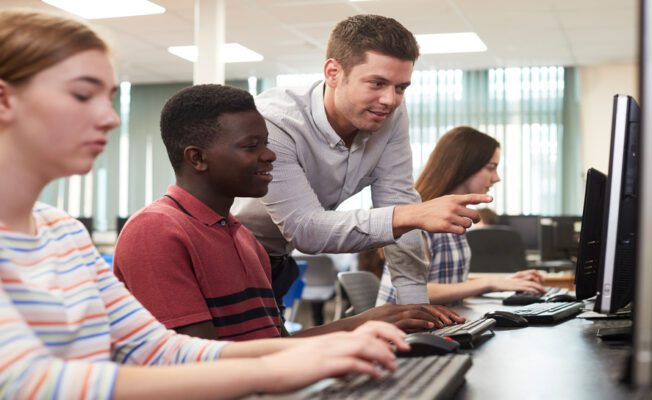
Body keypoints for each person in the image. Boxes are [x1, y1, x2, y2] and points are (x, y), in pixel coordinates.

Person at [0, 10, 407, 398]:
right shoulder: (154, 230)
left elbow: (162, 350)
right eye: (82, 94)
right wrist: (277, 368)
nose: (110, 118)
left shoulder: (64, 233)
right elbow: (30, 383)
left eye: (108, 97)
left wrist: (329, 346)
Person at [114, 84, 464, 340]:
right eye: (253, 146)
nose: (270, 156)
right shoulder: (156, 232)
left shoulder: (244, 239)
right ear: (197, 158)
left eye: (266, 143)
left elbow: (276, 345)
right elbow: (199, 366)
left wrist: (370, 321)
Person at [231, 14, 490, 307]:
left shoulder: (388, 114)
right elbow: (306, 229)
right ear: (333, 72)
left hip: (276, 261)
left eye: (401, 87)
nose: (390, 100)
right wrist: (410, 215)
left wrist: (416, 308)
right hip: (223, 258)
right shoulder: (275, 122)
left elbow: (398, 197)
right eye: (376, 83)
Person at [377, 127, 546, 305]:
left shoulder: (455, 218)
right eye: (491, 168)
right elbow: (409, 292)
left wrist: (507, 281)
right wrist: (489, 283)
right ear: (465, 166)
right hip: (400, 330)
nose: (496, 178)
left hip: (440, 324)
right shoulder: (419, 218)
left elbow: (450, 286)